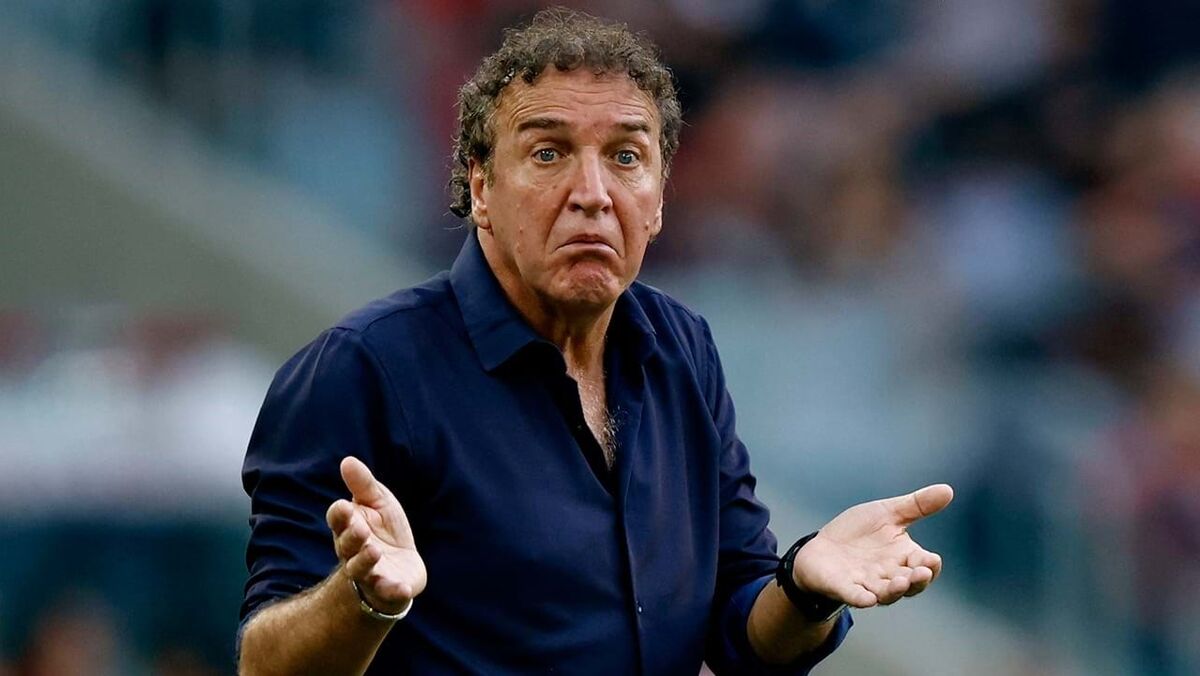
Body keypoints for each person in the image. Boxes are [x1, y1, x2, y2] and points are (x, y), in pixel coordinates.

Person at [237, 8, 953, 675]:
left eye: (626, 156)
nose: (593, 192)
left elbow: (739, 633)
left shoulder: (681, 348)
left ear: (660, 198)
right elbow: (264, 663)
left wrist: (803, 587)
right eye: (548, 153)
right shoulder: (365, 368)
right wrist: (364, 599)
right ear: (481, 187)